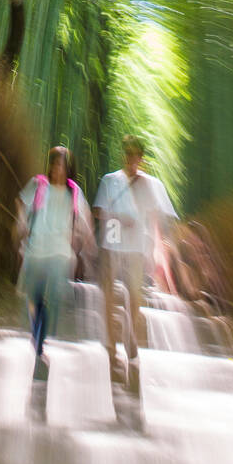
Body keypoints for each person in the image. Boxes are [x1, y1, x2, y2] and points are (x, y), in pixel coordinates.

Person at [93, 135, 177, 375]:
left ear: (141, 158)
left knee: (135, 297)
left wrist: (155, 249)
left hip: (137, 247)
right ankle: (110, 345)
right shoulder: (110, 181)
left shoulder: (150, 184)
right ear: (124, 155)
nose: (132, 159)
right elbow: (98, 210)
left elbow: (156, 217)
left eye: (136, 155)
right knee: (109, 295)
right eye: (128, 154)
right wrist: (119, 218)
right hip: (111, 243)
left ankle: (130, 335)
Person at [14, 145, 94, 364]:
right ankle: (36, 333)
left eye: (61, 164)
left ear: (68, 168)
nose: (57, 168)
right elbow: (21, 202)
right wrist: (21, 223)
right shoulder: (38, 184)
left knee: (50, 299)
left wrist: (87, 245)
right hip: (37, 248)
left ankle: (39, 341)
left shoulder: (74, 191)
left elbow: (85, 219)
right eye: (54, 164)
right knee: (34, 297)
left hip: (59, 251)